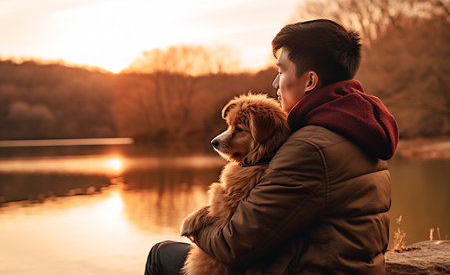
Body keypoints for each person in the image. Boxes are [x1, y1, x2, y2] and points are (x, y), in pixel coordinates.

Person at [145, 19, 398, 275]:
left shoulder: (310, 148)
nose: (275, 83)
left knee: (160, 255)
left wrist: (198, 225)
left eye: (281, 71)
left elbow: (232, 245)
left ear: (310, 81)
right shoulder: (357, 128)